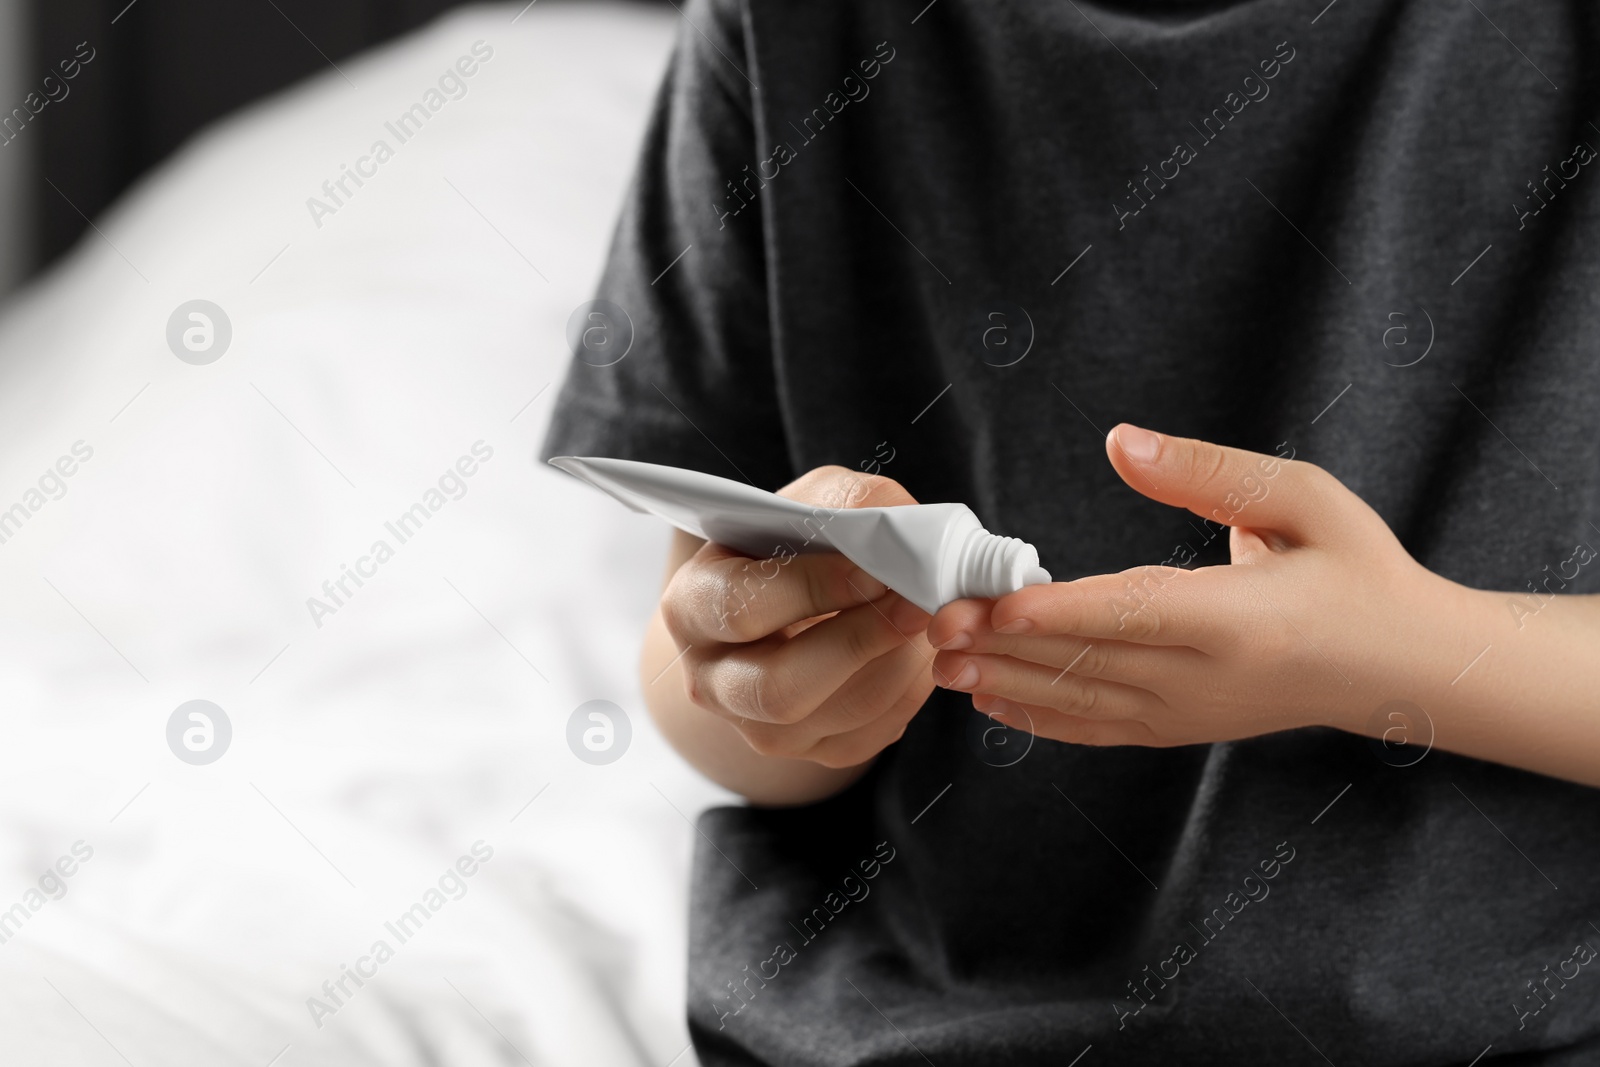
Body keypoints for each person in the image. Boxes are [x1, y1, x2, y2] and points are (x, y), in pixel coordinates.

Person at [542, 0, 1600, 1061]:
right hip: (905, 1015)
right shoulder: (782, 33)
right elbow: (706, 668)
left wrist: (1397, 653)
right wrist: (778, 690)